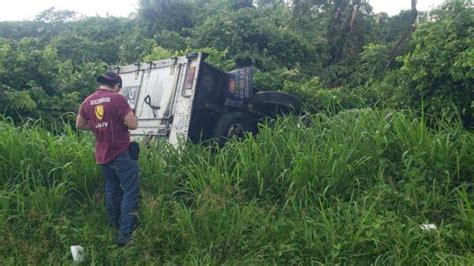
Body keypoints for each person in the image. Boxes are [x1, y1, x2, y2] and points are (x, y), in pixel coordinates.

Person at [75, 72, 139, 246]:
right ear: (116, 85)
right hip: (120, 153)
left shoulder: (87, 101)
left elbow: (79, 124)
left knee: (111, 189)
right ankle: (126, 234)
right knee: (130, 190)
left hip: (102, 155)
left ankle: (113, 226)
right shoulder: (117, 99)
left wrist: (97, 126)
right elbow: (133, 124)